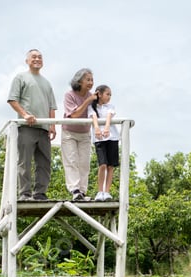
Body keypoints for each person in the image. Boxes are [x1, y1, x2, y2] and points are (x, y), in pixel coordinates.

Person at [7, 49, 57, 201]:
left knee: (45, 163)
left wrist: (53, 126)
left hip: (44, 128)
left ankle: (40, 193)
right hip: (27, 127)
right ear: (27, 60)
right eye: (34, 57)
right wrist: (25, 115)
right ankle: (25, 193)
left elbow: (52, 106)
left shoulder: (47, 83)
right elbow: (12, 100)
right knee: (25, 162)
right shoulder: (20, 78)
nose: (37, 59)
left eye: (40, 57)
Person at [61, 68, 97, 200]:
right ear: (79, 81)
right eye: (88, 79)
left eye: (92, 80)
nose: (91, 82)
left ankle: (83, 191)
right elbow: (74, 115)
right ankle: (75, 190)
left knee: (84, 163)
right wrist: (88, 101)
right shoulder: (69, 95)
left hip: (84, 133)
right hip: (69, 132)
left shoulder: (92, 96)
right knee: (72, 160)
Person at [88, 85, 120, 201]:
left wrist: (106, 128)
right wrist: (97, 129)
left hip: (112, 137)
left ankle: (107, 192)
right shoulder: (92, 107)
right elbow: (94, 118)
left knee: (111, 166)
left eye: (110, 94)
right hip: (99, 139)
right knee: (102, 165)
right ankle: (100, 191)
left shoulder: (110, 106)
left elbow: (109, 117)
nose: (109, 97)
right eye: (107, 94)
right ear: (100, 94)